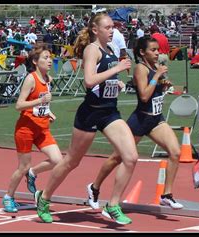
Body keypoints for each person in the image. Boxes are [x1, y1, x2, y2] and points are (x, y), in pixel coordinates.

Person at [34, 13, 136, 225]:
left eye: (113, 27)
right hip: (90, 112)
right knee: (72, 161)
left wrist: (115, 83)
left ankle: (113, 205)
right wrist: (117, 69)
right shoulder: (92, 49)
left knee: (130, 157)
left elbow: (103, 80)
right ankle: (43, 198)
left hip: (109, 112)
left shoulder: (111, 50)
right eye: (107, 27)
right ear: (95, 30)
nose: (112, 31)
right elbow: (89, 80)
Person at [87, 36, 184, 211]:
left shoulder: (154, 67)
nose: (157, 53)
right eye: (153, 50)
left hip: (156, 119)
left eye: (158, 50)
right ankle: (94, 187)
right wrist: (158, 77)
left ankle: (166, 195)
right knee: (117, 157)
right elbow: (145, 95)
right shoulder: (141, 68)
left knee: (176, 153)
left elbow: (154, 90)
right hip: (140, 120)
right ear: (142, 52)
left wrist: (163, 85)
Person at [2, 44, 62, 213]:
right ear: (35, 61)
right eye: (45, 57)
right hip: (26, 129)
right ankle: (8, 197)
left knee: (58, 160)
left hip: (42, 128)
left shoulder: (48, 79)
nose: (49, 60)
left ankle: (33, 173)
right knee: (22, 166)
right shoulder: (31, 79)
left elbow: (43, 104)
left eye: (50, 57)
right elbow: (19, 105)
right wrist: (40, 102)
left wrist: (48, 112)